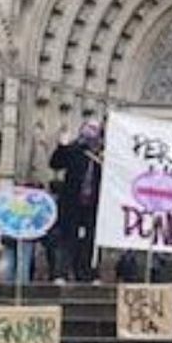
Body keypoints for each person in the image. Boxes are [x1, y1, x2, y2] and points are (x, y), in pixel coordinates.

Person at [51, 118, 104, 282]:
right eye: (88, 128)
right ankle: (61, 273)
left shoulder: (103, 154)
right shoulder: (74, 149)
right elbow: (55, 163)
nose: (91, 133)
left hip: (93, 205)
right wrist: (62, 146)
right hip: (72, 203)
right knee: (67, 238)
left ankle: (87, 273)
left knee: (90, 240)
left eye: (94, 129)